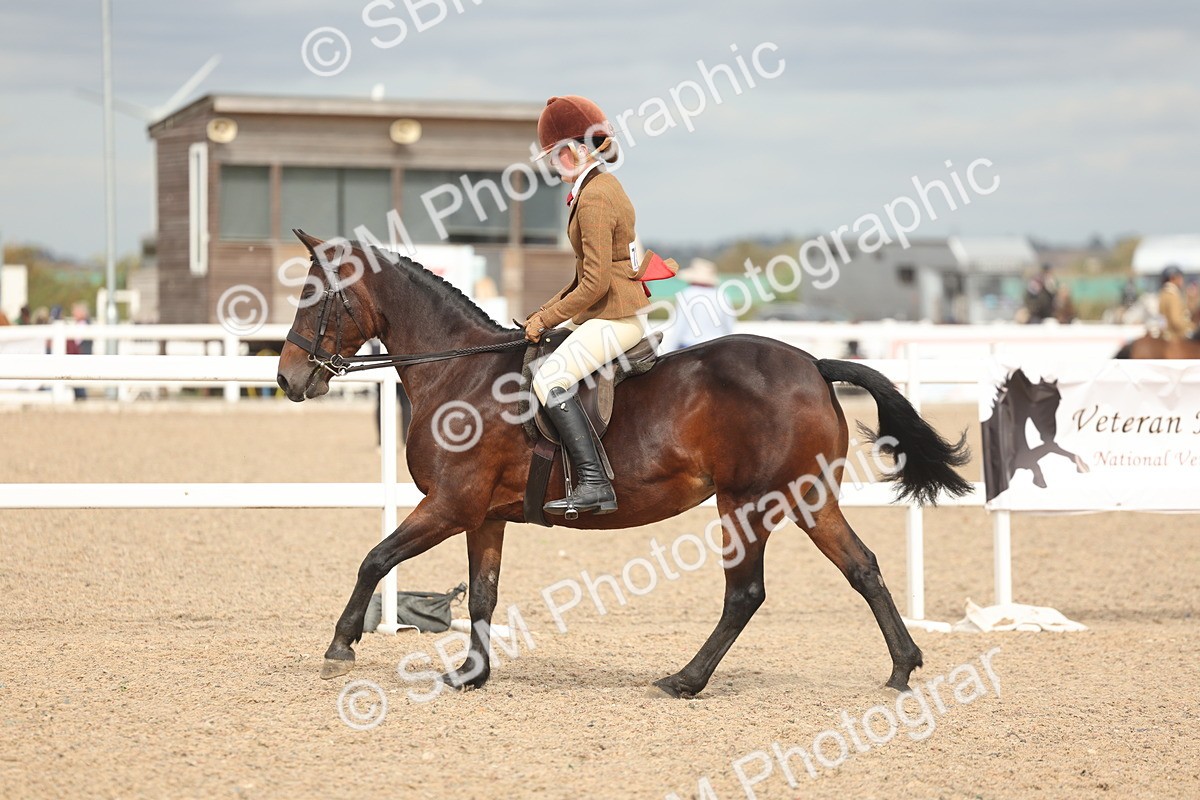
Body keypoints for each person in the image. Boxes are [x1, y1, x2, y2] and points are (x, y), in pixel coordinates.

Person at [523, 95, 651, 517]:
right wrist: (542, 313)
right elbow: (584, 277)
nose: (553, 165)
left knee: (550, 380)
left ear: (576, 150)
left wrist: (546, 317)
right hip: (610, 309)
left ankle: (594, 484)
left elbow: (594, 284)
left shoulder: (595, 197)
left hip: (614, 314)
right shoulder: (596, 188)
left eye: (555, 155)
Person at [661, 258, 735, 352]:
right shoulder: (723, 296)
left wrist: (668, 351)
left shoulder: (687, 294)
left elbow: (679, 326)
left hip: (691, 348)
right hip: (718, 348)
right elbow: (729, 327)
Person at [1157, 265, 1194, 341]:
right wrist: (1192, 327)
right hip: (1175, 337)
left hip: (1166, 335)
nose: (1182, 280)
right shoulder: (1172, 296)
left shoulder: (1164, 293)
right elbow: (1176, 321)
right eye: (1180, 277)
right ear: (1172, 278)